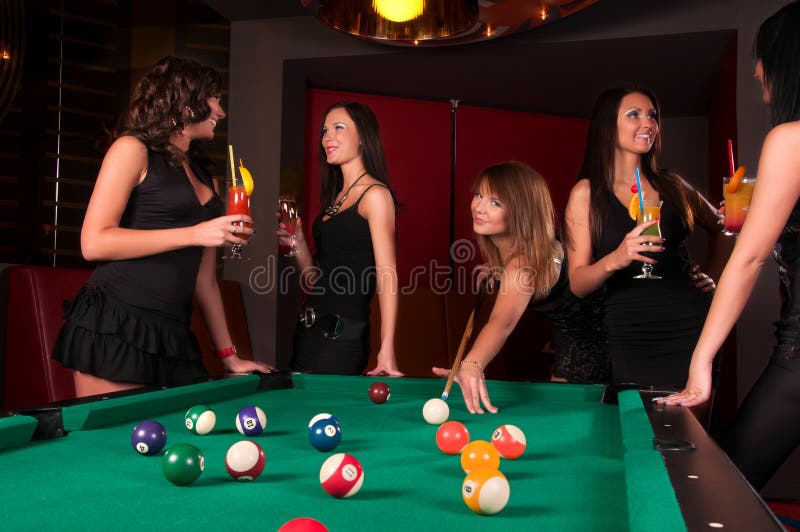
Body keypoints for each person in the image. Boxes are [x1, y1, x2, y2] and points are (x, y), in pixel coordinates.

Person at [51, 56, 271, 397]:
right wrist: (196, 233)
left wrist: (229, 356)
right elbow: (93, 242)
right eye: (215, 100)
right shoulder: (131, 149)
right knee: (115, 448)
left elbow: (205, 280)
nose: (221, 112)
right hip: (116, 325)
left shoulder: (205, 177)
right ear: (185, 103)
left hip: (173, 335)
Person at [658, 1, 800, 492]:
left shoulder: (791, 137)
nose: (757, 70)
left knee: (720, 489)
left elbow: (750, 258)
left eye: (762, 56)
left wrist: (700, 364)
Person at [564, 86, 726, 389]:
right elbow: (578, 283)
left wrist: (714, 276)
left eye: (652, 115)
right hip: (630, 329)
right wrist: (616, 258)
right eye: (633, 115)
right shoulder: (586, 193)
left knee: (689, 432)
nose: (648, 123)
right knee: (642, 426)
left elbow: (726, 228)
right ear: (608, 125)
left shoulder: (673, 184)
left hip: (690, 322)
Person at [432, 161, 609, 413]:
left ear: (522, 212)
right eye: (479, 195)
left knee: (567, 418)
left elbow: (501, 323)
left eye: (496, 203)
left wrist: (471, 364)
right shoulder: (524, 251)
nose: (479, 208)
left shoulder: (522, 264)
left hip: (601, 344)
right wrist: (498, 273)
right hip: (575, 339)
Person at [277, 101, 402, 376]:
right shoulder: (335, 199)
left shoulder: (376, 195)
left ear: (363, 138)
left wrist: (387, 348)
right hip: (308, 332)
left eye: (338, 128)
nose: (327, 137)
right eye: (324, 131)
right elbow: (314, 280)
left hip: (341, 339)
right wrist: (297, 242)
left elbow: (387, 274)